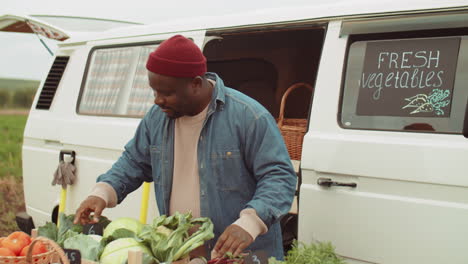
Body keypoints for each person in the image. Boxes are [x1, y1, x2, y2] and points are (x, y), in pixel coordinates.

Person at [73, 35, 297, 261]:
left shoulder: (248, 116)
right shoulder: (156, 118)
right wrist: (102, 193)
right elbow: (133, 162)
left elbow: (279, 176)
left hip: (244, 256)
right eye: (154, 92)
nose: (157, 101)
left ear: (196, 84)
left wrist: (249, 223)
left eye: (167, 93)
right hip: (182, 253)